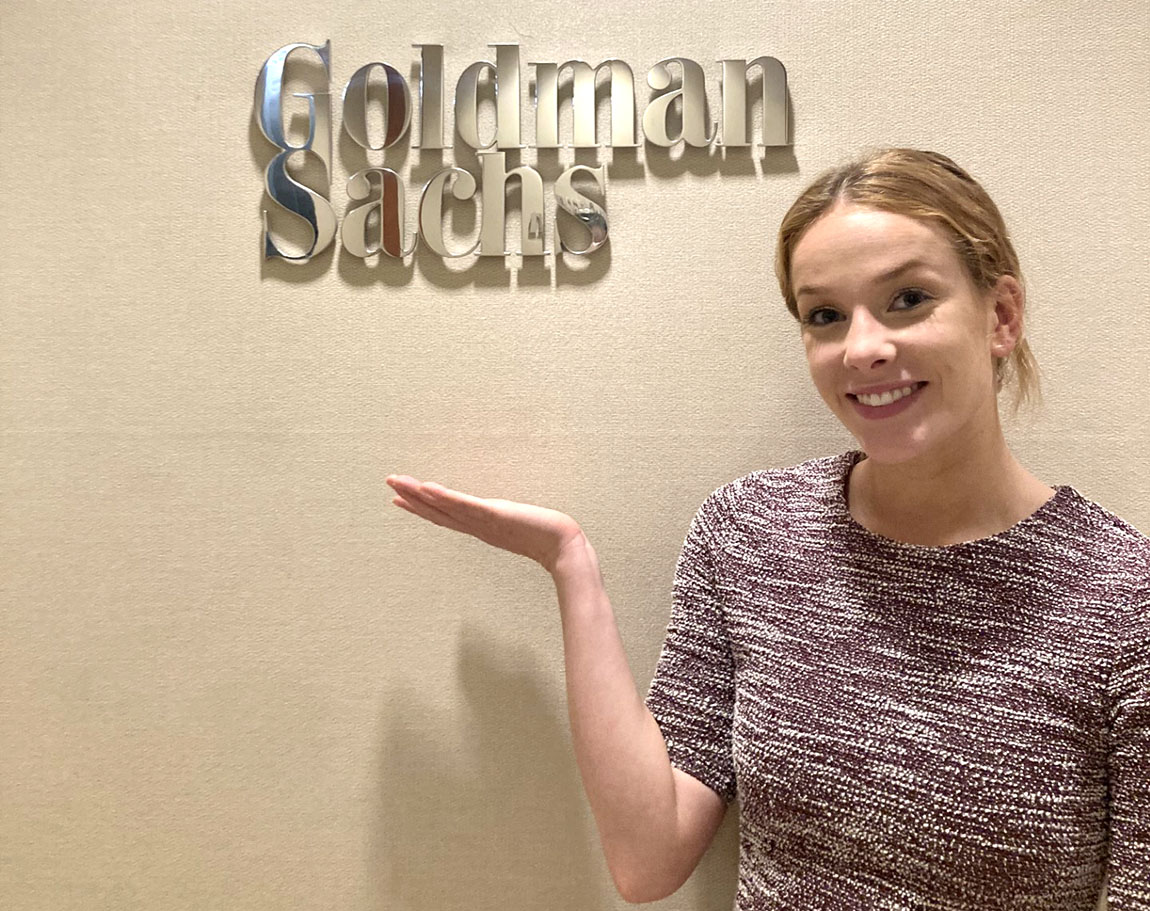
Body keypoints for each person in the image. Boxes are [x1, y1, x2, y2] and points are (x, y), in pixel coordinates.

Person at [385, 148, 1148, 910]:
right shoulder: (749, 532)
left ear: (1001, 315)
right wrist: (570, 564)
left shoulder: (1125, 598)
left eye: (908, 298)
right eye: (824, 315)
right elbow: (648, 858)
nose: (862, 347)